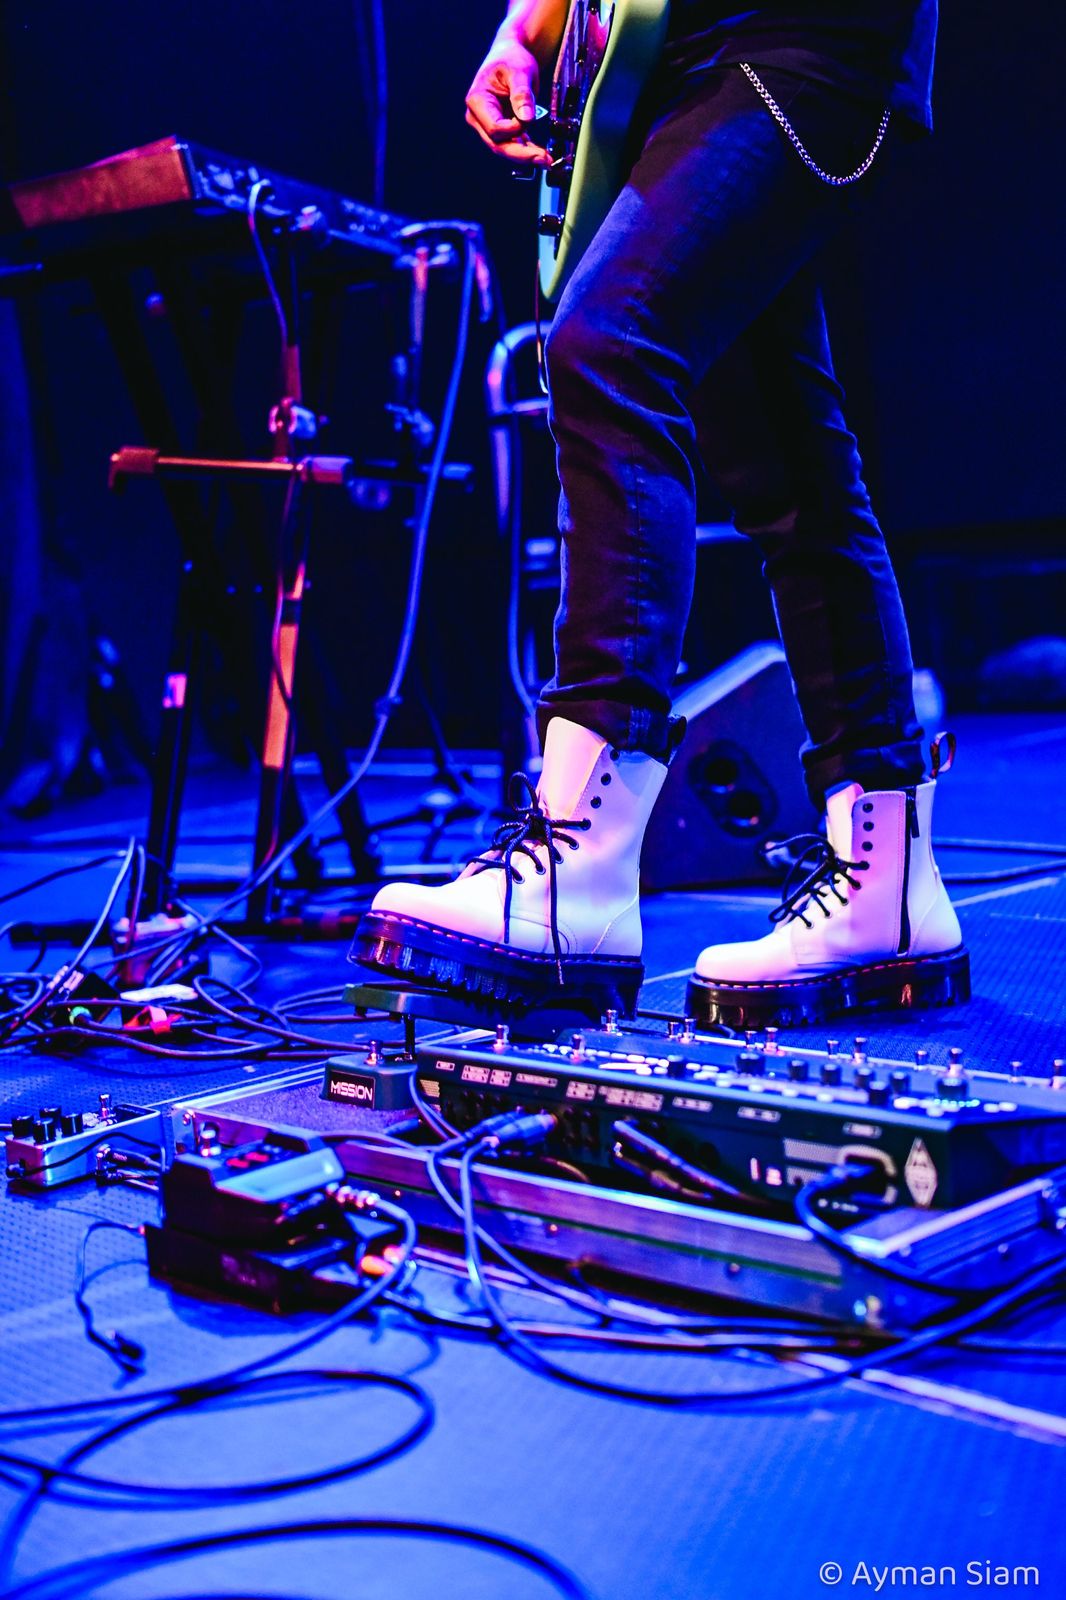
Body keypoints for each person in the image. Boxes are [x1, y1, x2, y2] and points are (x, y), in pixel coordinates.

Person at [352, 0, 969, 1028]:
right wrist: (528, 30)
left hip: (802, 33)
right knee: (786, 457)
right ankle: (887, 882)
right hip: (682, 58)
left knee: (609, 344)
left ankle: (583, 851)